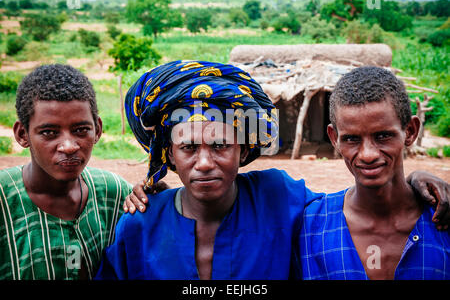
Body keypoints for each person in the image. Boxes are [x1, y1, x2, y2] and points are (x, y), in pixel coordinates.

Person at [96, 61, 450, 280]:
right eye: (188, 147)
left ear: (243, 149)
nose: (204, 163)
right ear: (168, 153)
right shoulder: (139, 224)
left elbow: (359, 202)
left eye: (220, 145)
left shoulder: (279, 198)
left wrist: (416, 180)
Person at [299, 66, 449, 280]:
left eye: (383, 136)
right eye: (351, 139)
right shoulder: (308, 227)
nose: (368, 154)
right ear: (334, 138)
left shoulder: (443, 220)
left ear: (410, 131)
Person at [0, 64, 135, 280]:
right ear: (22, 134)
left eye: (81, 130)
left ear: (98, 129)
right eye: (49, 132)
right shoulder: (4, 202)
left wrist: (162, 205)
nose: (69, 146)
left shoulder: (116, 193)